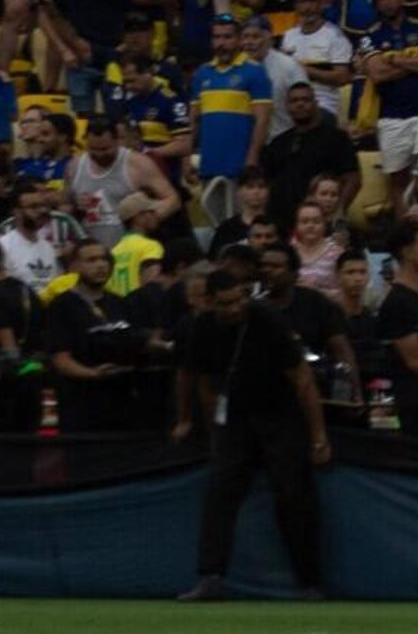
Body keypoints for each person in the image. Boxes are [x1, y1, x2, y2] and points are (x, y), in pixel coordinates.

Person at [174, 259, 331, 604]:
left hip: (280, 414)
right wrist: (206, 429)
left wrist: (318, 435)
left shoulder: (267, 320)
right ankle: (210, 576)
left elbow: (302, 379)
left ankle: (309, 582)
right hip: (236, 418)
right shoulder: (203, 328)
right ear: (210, 301)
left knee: (293, 493)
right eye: (225, 302)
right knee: (218, 492)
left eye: (238, 300)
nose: (234, 308)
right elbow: (199, 382)